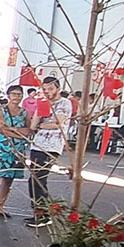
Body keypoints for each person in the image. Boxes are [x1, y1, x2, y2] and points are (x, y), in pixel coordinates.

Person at [25, 76, 71, 228]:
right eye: (44, 89)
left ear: (57, 88)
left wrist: (41, 126)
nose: (47, 92)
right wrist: (40, 108)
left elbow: (57, 123)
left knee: (38, 179)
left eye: (50, 89)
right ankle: (39, 213)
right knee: (35, 179)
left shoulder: (64, 103)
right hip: (37, 145)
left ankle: (43, 214)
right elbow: (33, 125)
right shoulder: (43, 103)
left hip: (52, 146)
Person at [0, 85, 31, 217]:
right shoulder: (0, 110)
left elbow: (29, 130)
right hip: (1, 147)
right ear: (8, 95)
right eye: (14, 94)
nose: (16, 97)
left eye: (19, 94)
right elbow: (1, 128)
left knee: (9, 179)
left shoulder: (24, 112)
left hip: (17, 149)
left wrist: (12, 131)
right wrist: (19, 132)